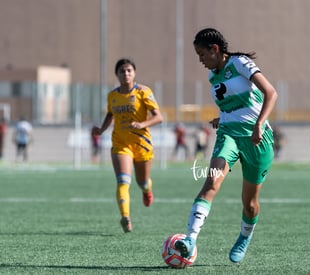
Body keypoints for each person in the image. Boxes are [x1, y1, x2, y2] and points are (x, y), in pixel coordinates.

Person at [174, 28, 278, 263]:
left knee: (249, 204)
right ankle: (190, 240)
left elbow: (271, 93)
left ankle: (244, 236)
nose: (200, 60)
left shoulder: (240, 63)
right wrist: (223, 118)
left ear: (215, 49)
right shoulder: (213, 76)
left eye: (202, 54)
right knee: (211, 181)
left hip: (257, 138)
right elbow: (233, 105)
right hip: (228, 136)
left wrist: (259, 124)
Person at [91, 58, 163, 233]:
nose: (126, 74)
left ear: (134, 73)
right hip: (120, 143)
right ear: (117, 74)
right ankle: (125, 217)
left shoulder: (144, 92)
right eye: (122, 71)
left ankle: (147, 190)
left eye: (129, 70)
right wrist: (101, 129)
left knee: (142, 181)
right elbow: (110, 115)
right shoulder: (113, 96)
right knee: (123, 181)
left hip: (141, 143)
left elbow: (158, 117)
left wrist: (142, 124)